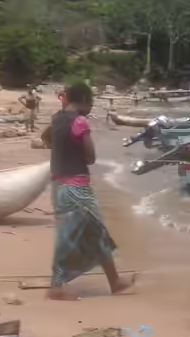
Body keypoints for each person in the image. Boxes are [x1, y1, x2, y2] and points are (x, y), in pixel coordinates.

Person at [40, 83, 136, 301]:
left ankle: (115, 282)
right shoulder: (80, 121)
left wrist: (61, 151)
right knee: (69, 236)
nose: (91, 106)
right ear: (83, 99)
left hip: (60, 185)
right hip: (77, 187)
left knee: (97, 233)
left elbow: (45, 139)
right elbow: (90, 157)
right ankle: (55, 286)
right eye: (91, 101)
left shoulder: (57, 119)